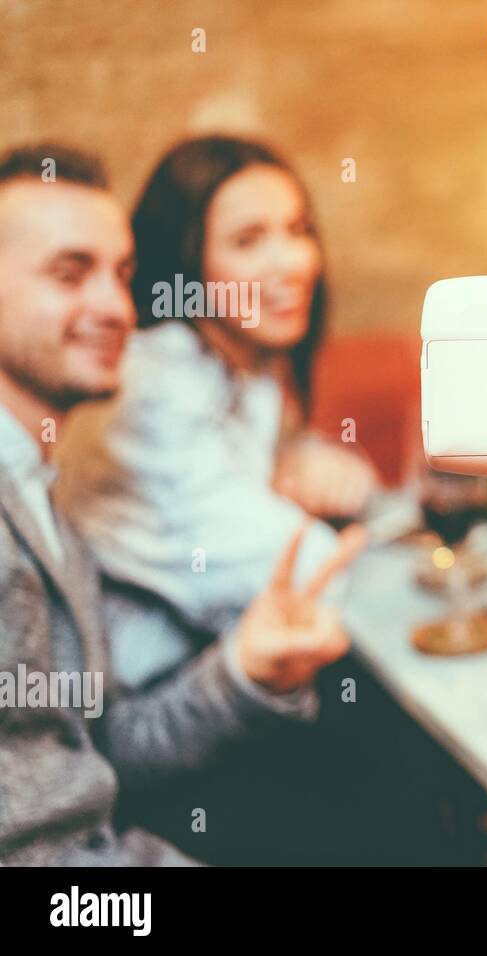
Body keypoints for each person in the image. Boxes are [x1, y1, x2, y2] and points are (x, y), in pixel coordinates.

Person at [0, 142, 362, 865]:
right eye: (71, 273)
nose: (115, 308)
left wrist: (245, 672)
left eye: (123, 275)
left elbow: (105, 753)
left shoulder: (40, 502)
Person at [55, 135, 377, 688]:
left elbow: (283, 468)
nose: (292, 263)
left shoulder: (243, 361)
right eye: (248, 240)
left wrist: (300, 459)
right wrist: (300, 502)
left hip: (219, 679)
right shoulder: (152, 388)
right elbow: (305, 575)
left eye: (298, 230)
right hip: (140, 714)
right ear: (187, 258)